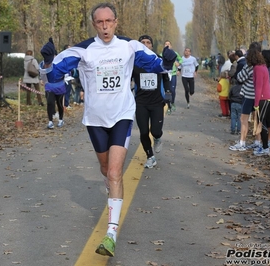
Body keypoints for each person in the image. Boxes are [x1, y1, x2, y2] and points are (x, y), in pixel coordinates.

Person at [39, 2, 176, 257]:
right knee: (105, 169)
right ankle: (111, 190)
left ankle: (111, 233)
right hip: (95, 120)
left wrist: (167, 60)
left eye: (109, 21)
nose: (105, 27)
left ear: (116, 22)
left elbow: (157, 66)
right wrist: (48, 61)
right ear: (94, 24)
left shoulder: (129, 46)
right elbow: (53, 78)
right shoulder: (82, 50)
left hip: (122, 116)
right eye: (100, 22)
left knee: (115, 172)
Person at [133, 35, 165, 168]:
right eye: (142, 43)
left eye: (148, 43)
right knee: (144, 132)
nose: (145, 45)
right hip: (141, 102)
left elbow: (166, 75)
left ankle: (157, 138)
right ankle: (150, 157)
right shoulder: (133, 61)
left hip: (157, 102)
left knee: (155, 131)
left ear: (152, 46)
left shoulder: (158, 60)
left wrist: (168, 92)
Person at [229, 42, 262, 152]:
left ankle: (242, 142)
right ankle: (258, 141)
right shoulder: (262, 64)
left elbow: (240, 77)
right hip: (258, 96)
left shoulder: (250, 65)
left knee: (244, 119)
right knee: (256, 119)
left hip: (248, 95)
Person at [251, 48, 270, 156]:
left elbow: (258, 87)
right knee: (266, 122)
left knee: (262, 123)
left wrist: (256, 103)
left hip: (263, 98)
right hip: (267, 97)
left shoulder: (258, 68)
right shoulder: (263, 67)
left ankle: (265, 147)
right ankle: (264, 146)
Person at [163, 40, 182, 114]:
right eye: (165, 44)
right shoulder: (162, 54)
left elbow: (181, 60)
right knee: (166, 91)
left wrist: (178, 64)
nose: (167, 45)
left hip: (173, 73)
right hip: (165, 74)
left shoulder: (175, 53)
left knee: (172, 90)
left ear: (171, 46)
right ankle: (168, 106)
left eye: (168, 44)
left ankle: (172, 102)